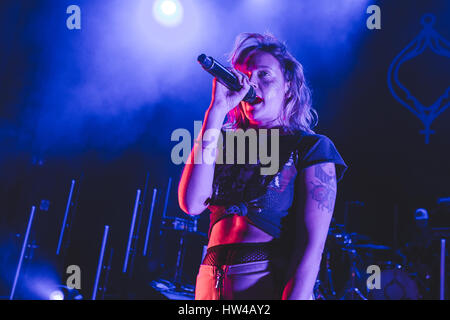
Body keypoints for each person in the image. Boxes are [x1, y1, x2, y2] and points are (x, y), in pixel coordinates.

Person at [178, 32, 347, 300]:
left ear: (289, 85)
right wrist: (215, 113)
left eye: (264, 75)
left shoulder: (311, 147)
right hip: (207, 289)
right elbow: (192, 203)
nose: (251, 85)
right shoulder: (222, 141)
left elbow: (311, 247)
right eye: (245, 76)